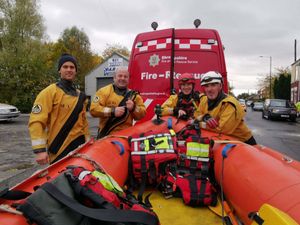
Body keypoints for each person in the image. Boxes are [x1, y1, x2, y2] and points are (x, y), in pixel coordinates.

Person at [28, 53, 90, 165]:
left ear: (75, 71)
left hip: (80, 147)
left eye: (72, 67)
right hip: (59, 148)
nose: (69, 70)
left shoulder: (81, 96)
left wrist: (88, 142)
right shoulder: (49, 92)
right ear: (59, 70)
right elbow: (36, 121)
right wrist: (40, 150)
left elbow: (84, 123)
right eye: (65, 67)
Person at [195, 71, 257, 145]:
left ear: (220, 86)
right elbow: (196, 115)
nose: (209, 89)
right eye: (206, 86)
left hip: (243, 142)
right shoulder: (204, 100)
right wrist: (204, 117)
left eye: (213, 85)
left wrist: (198, 124)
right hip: (223, 140)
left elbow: (222, 129)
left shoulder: (229, 104)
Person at [90, 66, 146, 138]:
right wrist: (112, 111)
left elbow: (142, 114)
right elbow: (93, 110)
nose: (122, 78)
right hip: (106, 136)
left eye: (125, 76)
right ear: (114, 77)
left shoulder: (134, 96)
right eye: (120, 76)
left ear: (128, 79)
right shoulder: (103, 91)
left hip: (126, 136)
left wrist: (134, 108)